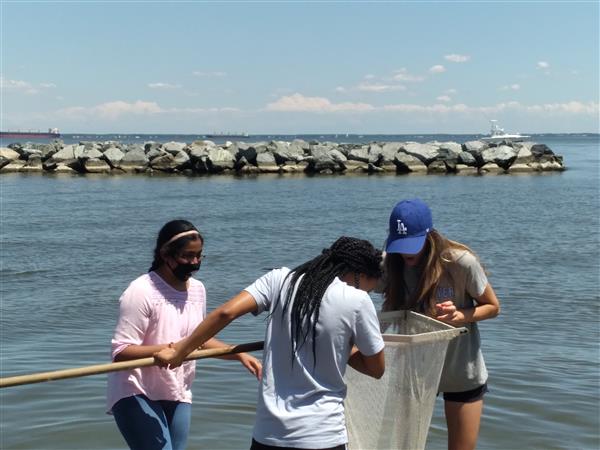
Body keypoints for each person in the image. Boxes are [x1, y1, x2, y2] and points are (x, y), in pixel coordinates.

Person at [156, 236, 386, 450]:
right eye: (371, 286)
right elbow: (376, 368)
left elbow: (225, 313)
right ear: (359, 274)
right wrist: (342, 344)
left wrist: (180, 352)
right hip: (322, 435)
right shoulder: (357, 301)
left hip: (268, 434)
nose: (369, 291)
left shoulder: (279, 279)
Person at [106, 219, 262, 450]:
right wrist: (170, 348)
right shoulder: (140, 291)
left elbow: (197, 340)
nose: (195, 263)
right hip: (135, 390)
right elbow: (120, 352)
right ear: (165, 254)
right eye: (187, 257)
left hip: (176, 389)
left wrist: (236, 354)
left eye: (199, 256)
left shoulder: (198, 290)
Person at [382, 199, 500, 450]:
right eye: (400, 246)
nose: (406, 253)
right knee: (405, 446)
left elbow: (492, 307)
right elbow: (352, 284)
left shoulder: (460, 263)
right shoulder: (390, 264)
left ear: (430, 235)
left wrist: (461, 315)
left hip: (461, 370)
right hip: (414, 371)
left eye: (412, 245)